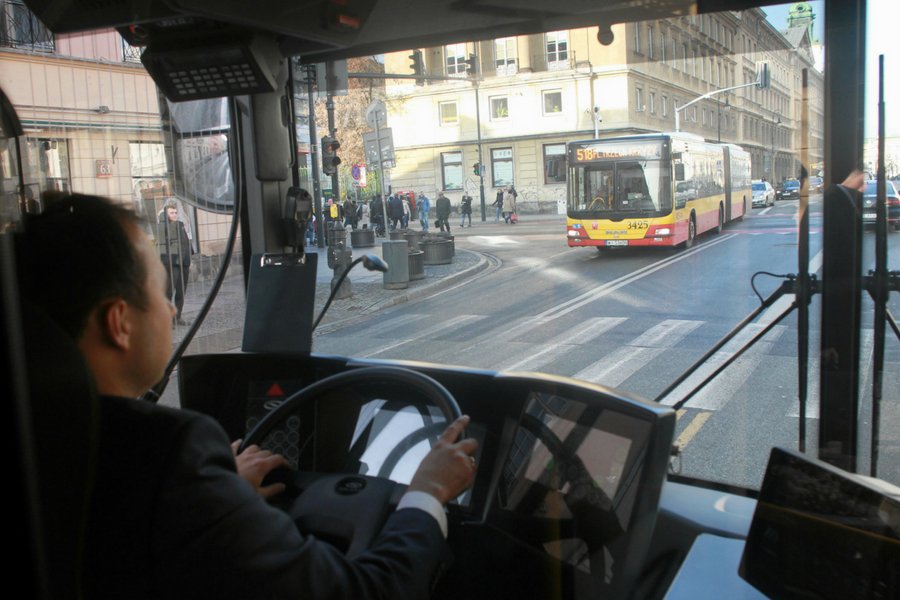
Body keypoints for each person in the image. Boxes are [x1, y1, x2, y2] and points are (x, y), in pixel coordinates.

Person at [16, 193, 479, 600]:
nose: (173, 308)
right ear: (118, 323)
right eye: (159, 291)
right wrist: (428, 492)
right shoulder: (170, 454)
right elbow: (368, 590)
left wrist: (219, 494)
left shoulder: (42, 435)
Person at [157, 200, 192, 325]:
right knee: (169, 292)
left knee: (181, 291)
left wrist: (189, 259)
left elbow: (186, 242)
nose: (175, 215)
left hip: (184, 263)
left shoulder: (180, 224)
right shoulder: (163, 227)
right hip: (171, 263)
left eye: (175, 212)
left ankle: (178, 317)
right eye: (171, 213)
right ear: (165, 215)